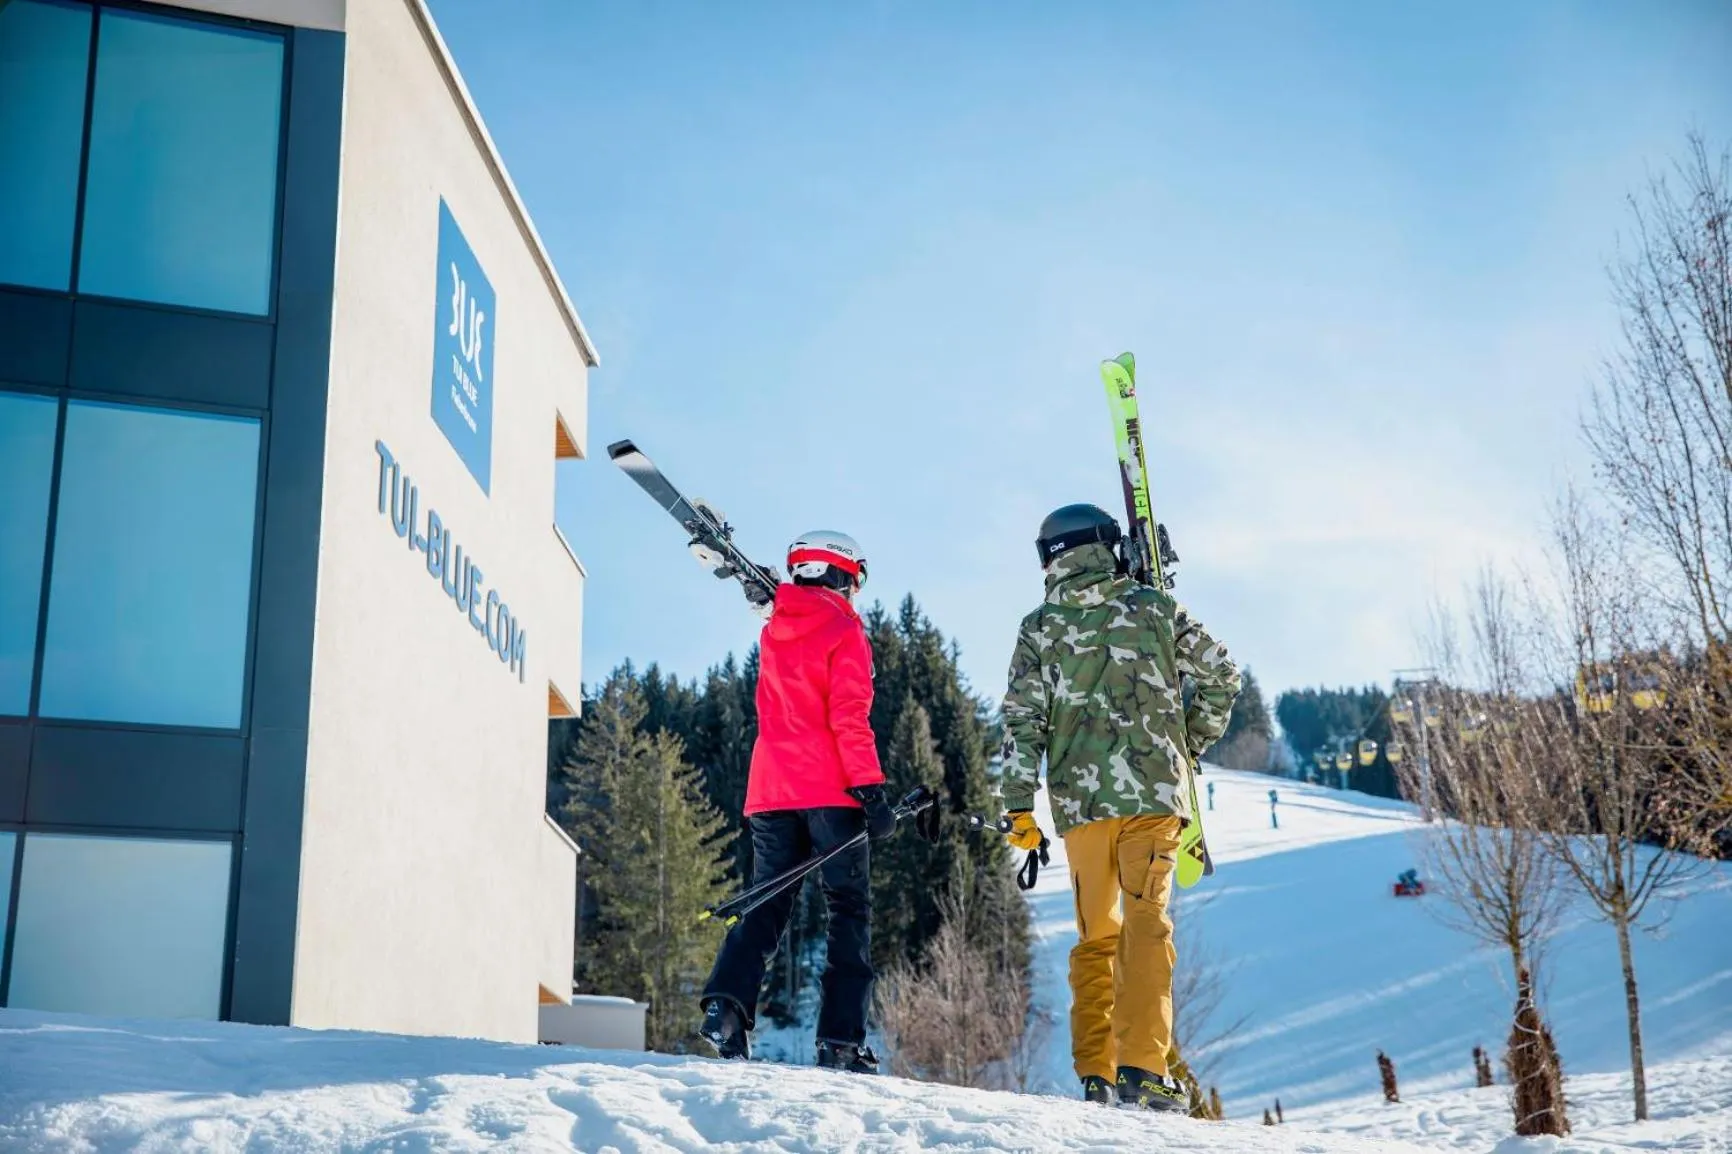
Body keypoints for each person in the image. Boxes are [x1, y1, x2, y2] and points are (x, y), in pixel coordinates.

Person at [999, 504, 1240, 1111]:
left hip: (1080, 808)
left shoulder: (1039, 626)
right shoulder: (1156, 609)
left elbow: (1021, 720)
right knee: (1146, 926)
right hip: (1154, 798)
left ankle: (1096, 1073)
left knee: (1096, 937)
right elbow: (1221, 676)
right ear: (1110, 546)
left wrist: (1018, 808)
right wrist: (1189, 741)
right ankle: (1143, 1068)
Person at [698, 530, 896, 1073]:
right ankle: (840, 1043)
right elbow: (848, 717)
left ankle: (726, 1009)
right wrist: (872, 791)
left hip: (770, 789)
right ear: (843, 575)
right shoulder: (846, 629)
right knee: (847, 911)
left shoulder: (773, 629)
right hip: (830, 790)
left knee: (768, 901)